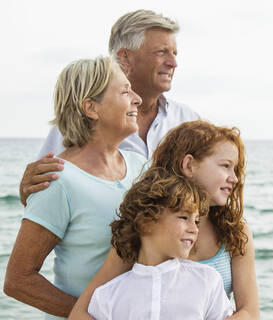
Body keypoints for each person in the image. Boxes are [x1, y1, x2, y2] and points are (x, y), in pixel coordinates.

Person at [69, 121, 260, 320]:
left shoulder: (235, 231)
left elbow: (250, 313)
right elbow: (81, 313)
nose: (235, 178)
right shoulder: (149, 226)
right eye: (226, 166)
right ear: (189, 165)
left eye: (235, 169)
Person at [3, 57, 146, 319]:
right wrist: (90, 315)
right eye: (125, 91)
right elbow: (18, 280)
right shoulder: (57, 180)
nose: (137, 99)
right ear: (91, 108)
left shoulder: (141, 167)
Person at [18, 9, 199, 206]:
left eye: (174, 53)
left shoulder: (190, 122)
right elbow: (42, 193)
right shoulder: (82, 121)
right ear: (125, 58)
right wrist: (27, 189)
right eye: (161, 52)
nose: (173, 63)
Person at [88, 169, 234, 319]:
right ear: (145, 223)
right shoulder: (107, 297)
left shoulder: (207, 281)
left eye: (196, 221)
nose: (194, 229)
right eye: (184, 217)